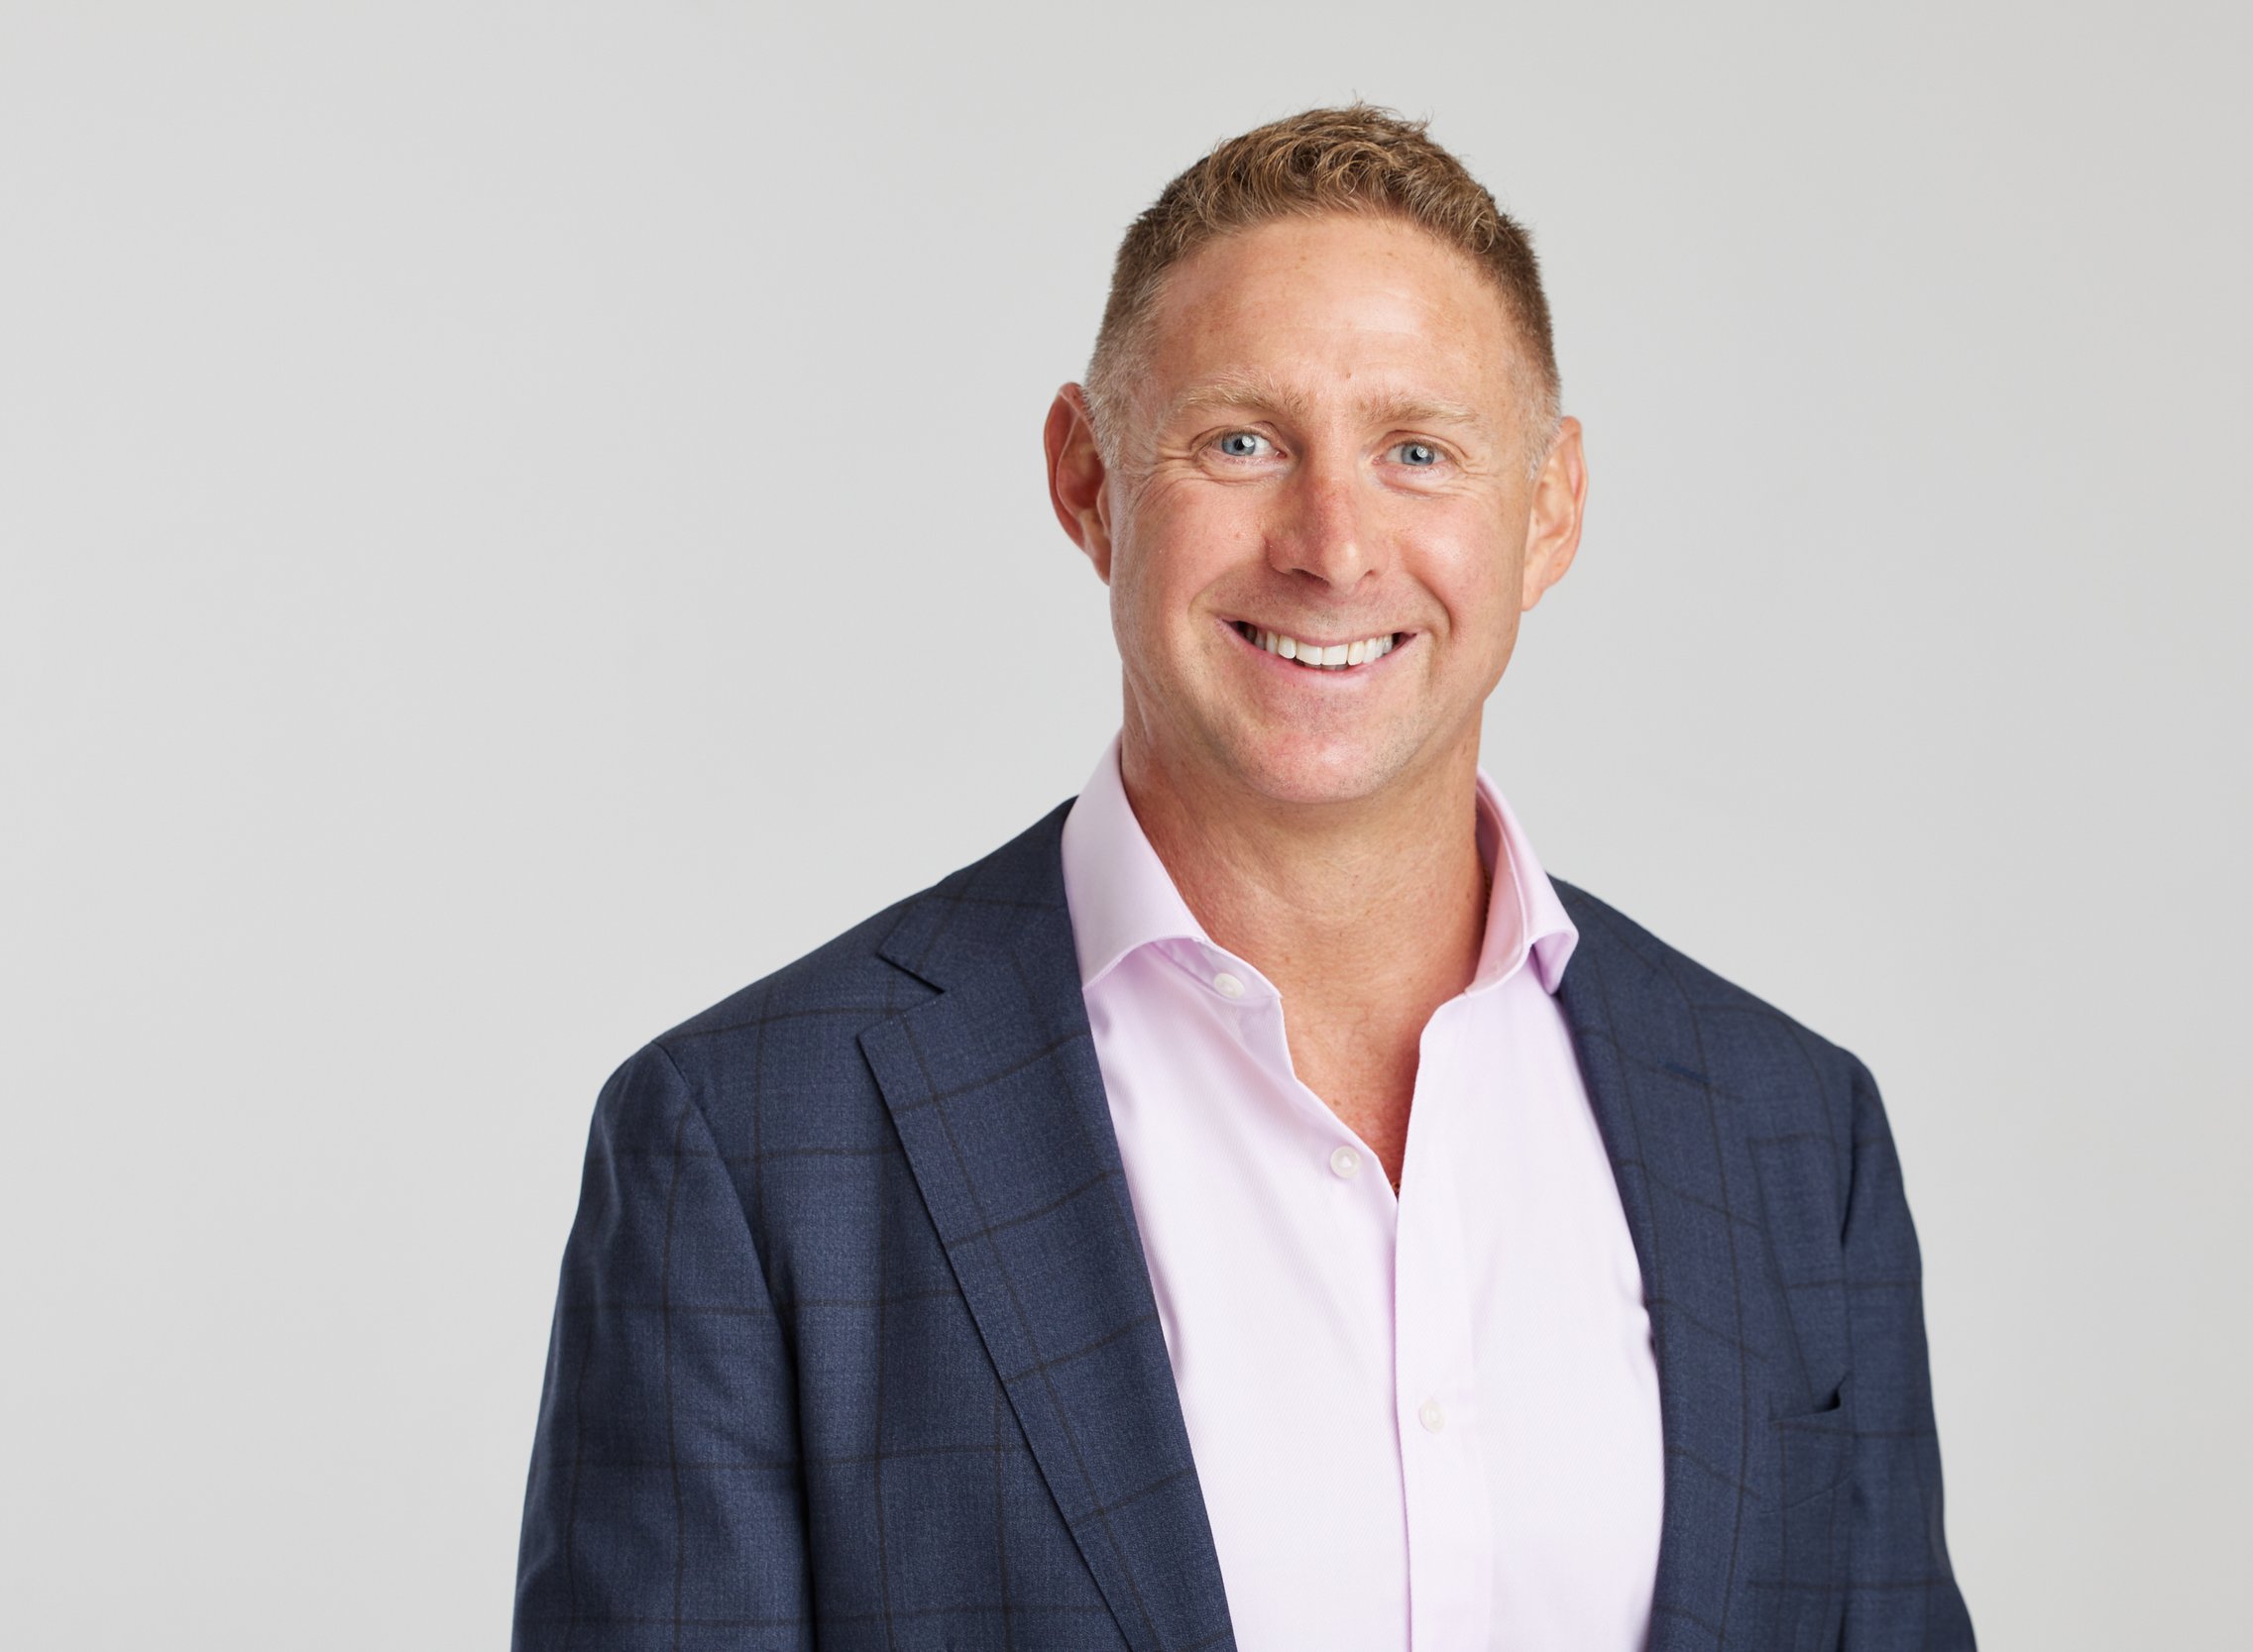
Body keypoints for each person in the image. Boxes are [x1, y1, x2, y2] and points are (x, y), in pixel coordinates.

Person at [512, 104, 1972, 1652]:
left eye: (1419, 452)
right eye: (1241, 443)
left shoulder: (1791, 1132)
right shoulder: (748, 1146)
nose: (1332, 547)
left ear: (1548, 509)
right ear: (1087, 480)